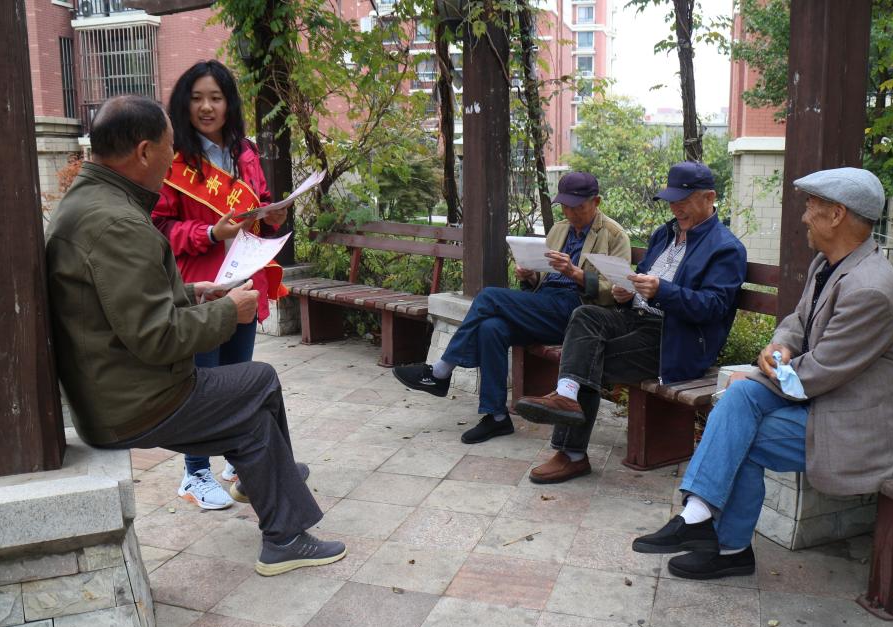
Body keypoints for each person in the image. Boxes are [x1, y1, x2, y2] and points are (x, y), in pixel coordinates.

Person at [45, 95, 345, 576]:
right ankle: (280, 518)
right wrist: (229, 310)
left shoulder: (90, 203)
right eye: (169, 148)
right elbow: (158, 337)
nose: (172, 160)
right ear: (144, 151)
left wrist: (191, 292)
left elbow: (118, 301)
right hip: (132, 403)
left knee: (252, 411)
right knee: (259, 383)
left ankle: (277, 517)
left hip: (111, 390)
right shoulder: (118, 222)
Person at [632, 167, 893, 580]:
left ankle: (723, 542)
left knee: (740, 429)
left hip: (860, 423)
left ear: (837, 214)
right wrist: (780, 345)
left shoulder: (870, 289)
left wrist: (756, 373)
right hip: (825, 401)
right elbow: (797, 322)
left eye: (812, 206)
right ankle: (703, 521)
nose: (804, 216)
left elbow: (821, 370)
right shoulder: (829, 264)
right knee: (739, 403)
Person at [515, 162, 747, 483]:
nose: (675, 208)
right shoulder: (664, 234)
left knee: (585, 358)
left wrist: (661, 291)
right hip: (635, 318)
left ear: (710, 197)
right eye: (671, 201)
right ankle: (566, 397)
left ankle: (571, 452)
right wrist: (626, 292)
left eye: (683, 200)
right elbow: (640, 280)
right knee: (585, 315)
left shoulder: (725, 248)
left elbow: (714, 307)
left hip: (674, 339)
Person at [391, 172, 631, 443]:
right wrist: (530, 275)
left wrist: (576, 274)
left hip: (578, 313)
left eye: (578, 207)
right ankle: (496, 416)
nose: (570, 213)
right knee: (491, 328)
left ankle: (440, 371)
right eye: (565, 206)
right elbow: (544, 277)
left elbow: (618, 291)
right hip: (547, 305)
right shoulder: (560, 229)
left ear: (596, 201)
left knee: (489, 297)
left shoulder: (614, 235)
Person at [152, 60, 290, 510]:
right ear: (183, 105)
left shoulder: (244, 152)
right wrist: (210, 233)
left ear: (229, 103)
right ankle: (194, 473)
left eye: (216, 97)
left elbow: (260, 207)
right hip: (202, 288)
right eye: (197, 99)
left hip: (244, 282)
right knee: (203, 381)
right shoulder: (172, 161)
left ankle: (234, 459)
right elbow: (158, 228)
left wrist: (273, 215)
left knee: (237, 376)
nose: (207, 107)